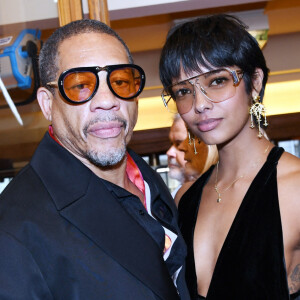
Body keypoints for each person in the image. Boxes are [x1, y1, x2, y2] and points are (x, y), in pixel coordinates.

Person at [0, 19, 190, 300]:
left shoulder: (149, 182)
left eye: (121, 81)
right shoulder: (14, 229)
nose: (107, 100)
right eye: (80, 86)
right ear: (47, 104)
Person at [159, 14, 300, 300]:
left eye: (217, 81)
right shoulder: (184, 199)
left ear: (255, 81)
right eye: (184, 91)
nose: (200, 104)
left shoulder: (294, 188)